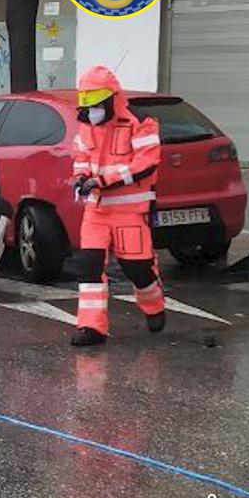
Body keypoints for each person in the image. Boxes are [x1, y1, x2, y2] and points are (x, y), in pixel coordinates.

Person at [69, 65, 166, 346]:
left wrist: (102, 180)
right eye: (86, 101)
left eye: (96, 101)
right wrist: (80, 179)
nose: (92, 108)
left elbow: (146, 165)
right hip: (96, 211)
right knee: (89, 266)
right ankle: (91, 327)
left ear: (112, 96)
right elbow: (81, 158)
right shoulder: (87, 123)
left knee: (137, 269)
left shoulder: (141, 121)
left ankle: (154, 304)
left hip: (130, 212)